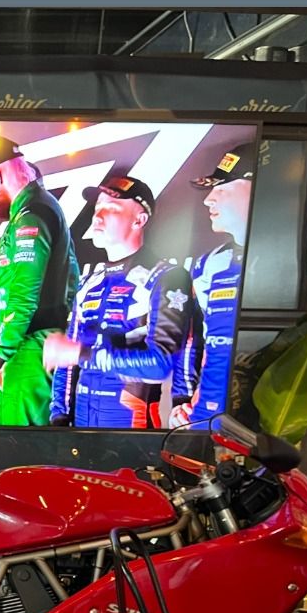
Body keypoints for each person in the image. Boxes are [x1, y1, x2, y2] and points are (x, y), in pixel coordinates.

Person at [50, 174, 197, 428]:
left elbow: (161, 363)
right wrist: (59, 419)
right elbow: (67, 361)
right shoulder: (89, 281)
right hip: (80, 428)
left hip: (131, 429)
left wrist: (82, 355)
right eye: (97, 208)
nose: (98, 216)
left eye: (111, 208)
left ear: (139, 220)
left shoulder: (167, 277)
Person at [0, 137, 80, 426]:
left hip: (29, 347)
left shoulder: (34, 213)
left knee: (17, 454)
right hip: (26, 343)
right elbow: (72, 275)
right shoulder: (34, 208)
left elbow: (22, 298)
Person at [173, 145, 252, 428]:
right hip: (204, 417)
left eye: (221, 188)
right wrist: (184, 401)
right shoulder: (209, 264)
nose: (208, 200)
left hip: (256, 422)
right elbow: (196, 339)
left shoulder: (284, 261)